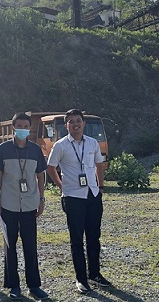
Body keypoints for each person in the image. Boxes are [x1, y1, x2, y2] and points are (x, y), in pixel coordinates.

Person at [46, 108, 113, 294]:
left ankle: (95, 274)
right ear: (66, 125)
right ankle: (81, 279)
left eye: (78, 121)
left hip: (92, 194)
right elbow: (50, 167)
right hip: (73, 197)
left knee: (94, 237)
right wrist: (61, 186)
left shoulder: (92, 143)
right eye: (71, 122)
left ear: (83, 123)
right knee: (76, 239)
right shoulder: (60, 145)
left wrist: (100, 187)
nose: (75, 124)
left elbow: (99, 164)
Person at [0, 112, 49, 301]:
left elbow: (40, 176)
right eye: (19, 126)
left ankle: (34, 286)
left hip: (30, 204)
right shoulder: (3, 149)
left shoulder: (35, 150)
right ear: (13, 128)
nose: (23, 129)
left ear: (29, 128)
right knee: (10, 246)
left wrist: (41, 199)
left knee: (30, 246)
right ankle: (14, 285)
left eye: (26, 126)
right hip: (8, 204)